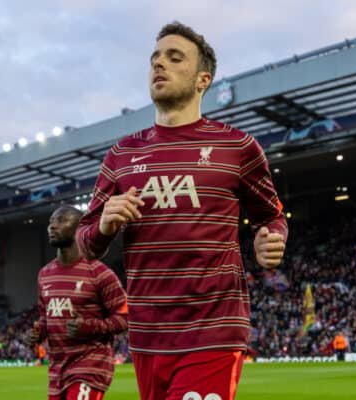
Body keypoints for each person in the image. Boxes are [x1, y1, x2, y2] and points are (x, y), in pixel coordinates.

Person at [76, 22, 288, 400]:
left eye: (175, 58)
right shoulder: (121, 156)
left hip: (214, 328)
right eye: (155, 58)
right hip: (147, 335)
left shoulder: (237, 147)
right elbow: (86, 243)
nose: (160, 64)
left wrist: (272, 239)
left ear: (202, 79)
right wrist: (105, 223)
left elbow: (270, 215)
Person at [30, 205, 128, 400]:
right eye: (51, 222)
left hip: (90, 366)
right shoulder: (44, 275)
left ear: (79, 227)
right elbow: (45, 318)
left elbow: (126, 318)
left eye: (61, 220)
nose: (52, 227)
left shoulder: (100, 274)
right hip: (57, 370)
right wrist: (37, 333)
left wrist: (90, 327)